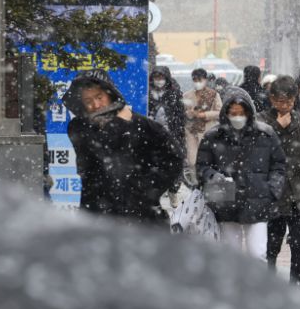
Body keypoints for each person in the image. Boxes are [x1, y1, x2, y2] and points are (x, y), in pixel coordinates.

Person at [64, 70, 184, 224]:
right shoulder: (78, 127)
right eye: (88, 101)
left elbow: (174, 157)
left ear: (110, 94)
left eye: (99, 97)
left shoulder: (141, 124)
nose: (95, 105)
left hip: (140, 213)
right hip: (97, 211)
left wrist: (150, 189)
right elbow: (101, 149)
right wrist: (120, 123)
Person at [196, 87, 286, 260]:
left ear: (249, 112)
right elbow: (202, 166)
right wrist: (214, 177)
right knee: (231, 256)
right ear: (226, 113)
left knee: (257, 254)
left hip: (258, 200)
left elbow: (279, 164)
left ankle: (254, 287)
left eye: (241, 112)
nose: (237, 117)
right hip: (225, 202)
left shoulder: (265, 134)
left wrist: (272, 190)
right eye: (233, 113)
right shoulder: (213, 136)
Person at [257, 76, 300, 288]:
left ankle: (296, 287)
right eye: (280, 101)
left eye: (289, 102)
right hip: (273, 195)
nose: (284, 106)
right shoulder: (262, 122)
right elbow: (260, 151)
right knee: (270, 246)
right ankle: (268, 286)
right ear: (272, 99)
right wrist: (278, 126)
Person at [183, 68, 222, 171]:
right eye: (195, 80)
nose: (197, 83)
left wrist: (204, 114)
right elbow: (183, 113)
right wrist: (191, 113)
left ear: (205, 79)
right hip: (192, 131)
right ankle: (195, 180)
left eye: (200, 80)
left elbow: (220, 112)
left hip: (208, 130)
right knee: (192, 160)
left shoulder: (214, 94)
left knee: (207, 158)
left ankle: (205, 179)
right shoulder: (187, 95)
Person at [148, 66, 186, 150]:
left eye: (161, 78)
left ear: (166, 78)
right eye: (156, 78)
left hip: (171, 131)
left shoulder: (175, 93)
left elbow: (180, 114)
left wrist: (177, 131)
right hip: (152, 132)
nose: (158, 81)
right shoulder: (148, 94)